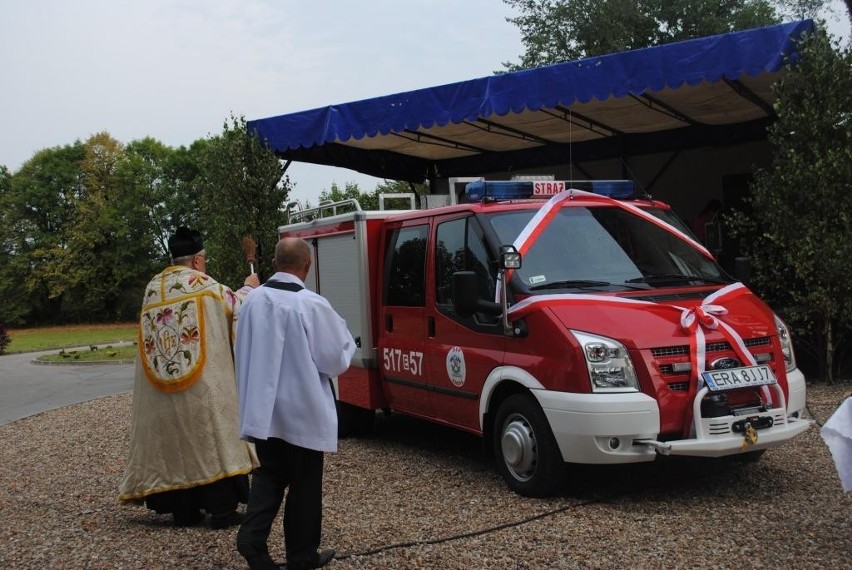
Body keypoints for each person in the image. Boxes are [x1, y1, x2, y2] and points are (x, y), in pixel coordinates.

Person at [119, 227, 260, 529]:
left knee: (174, 445)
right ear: (197, 261)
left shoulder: (152, 288)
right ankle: (222, 511)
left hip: (161, 389)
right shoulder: (204, 285)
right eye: (204, 260)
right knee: (211, 439)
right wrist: (250, 287)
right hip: (201, 385)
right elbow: (237, 308)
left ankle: (183, 511)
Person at [235, 237, 356, 570]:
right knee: (303, 486)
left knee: (269, 476)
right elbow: (333, 359)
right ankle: (301, 557)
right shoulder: (311, 305)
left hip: (263, 412)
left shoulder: (252, 303)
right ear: (308, 265)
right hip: (301, 412)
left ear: (275, 264)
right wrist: (346, 343)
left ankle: (252, 538)